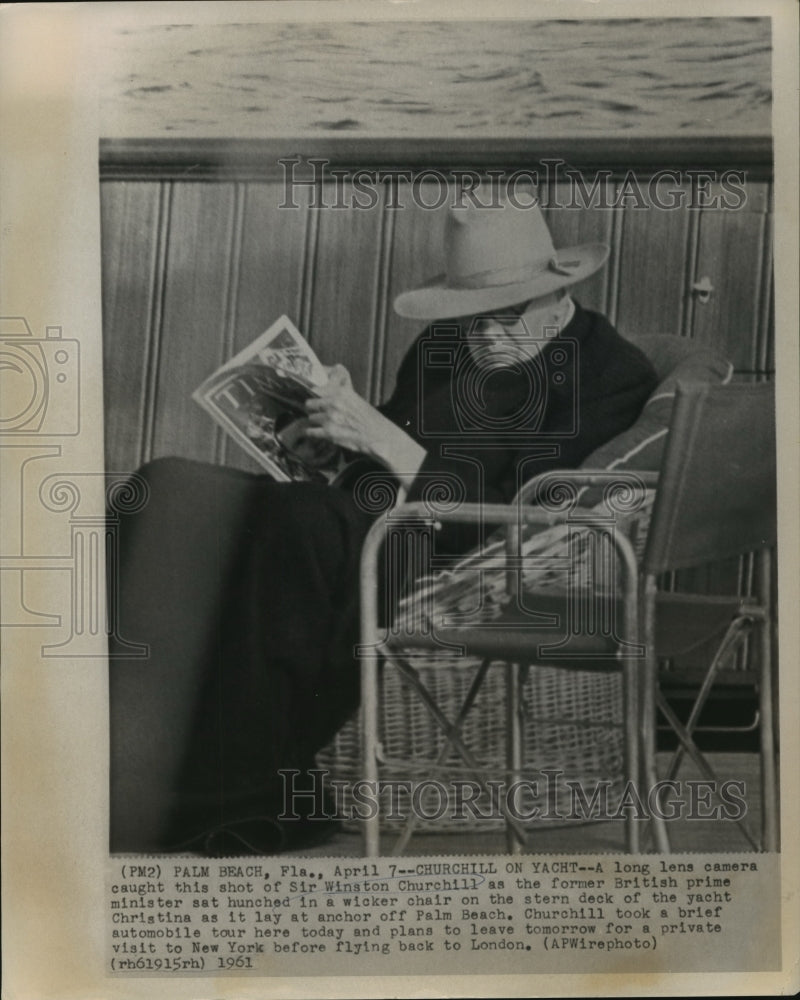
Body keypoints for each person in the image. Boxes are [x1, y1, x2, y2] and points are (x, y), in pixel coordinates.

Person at [109, 201, 658, 856]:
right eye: (468, 315)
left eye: (505, 313)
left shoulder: (608, 374)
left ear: (558, 290)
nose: (482, 335)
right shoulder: (445, 343)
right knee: (164, 487)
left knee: (297, 522)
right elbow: (387, 449)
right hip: (355, 507)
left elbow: (519, 520)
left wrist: (378, 439)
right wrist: (330, 447)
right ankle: (125, 755)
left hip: (439, 547)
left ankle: (235, 790)